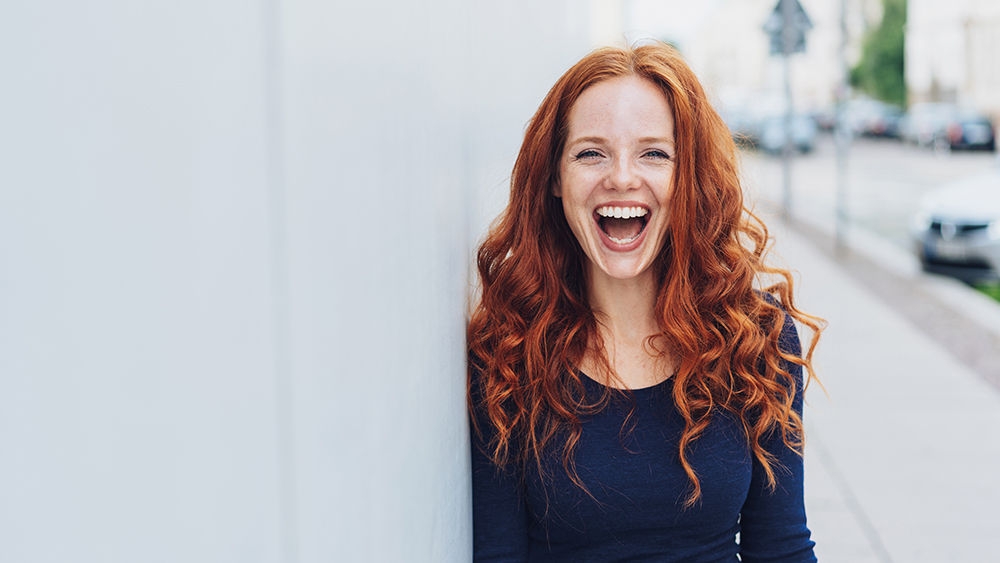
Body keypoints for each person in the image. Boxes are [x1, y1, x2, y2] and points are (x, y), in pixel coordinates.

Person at [467, 41, 824, 562]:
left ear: (689, 180)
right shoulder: (506, 353)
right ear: (553, 180)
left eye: (654, 153)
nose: (622, 177)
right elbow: (497, 554)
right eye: (591, 153)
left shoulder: (756, 338)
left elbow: (783, 547)